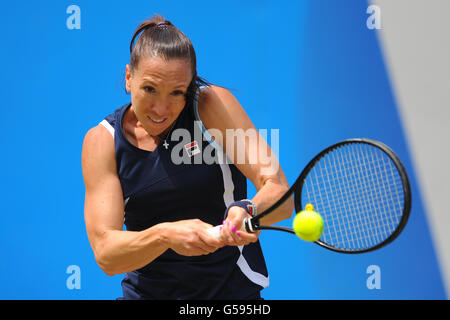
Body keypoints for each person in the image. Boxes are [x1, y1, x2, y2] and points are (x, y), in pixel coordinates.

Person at [81, 15, 293, 300]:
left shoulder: (210, 106)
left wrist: (248, 208)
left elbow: (280, 193)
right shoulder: (102, 141)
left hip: (229, 295)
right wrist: (166, 235)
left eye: (177, 92)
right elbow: (107, 254)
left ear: (190, 87)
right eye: (150, 89)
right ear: (129, 77)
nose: (161, 108)